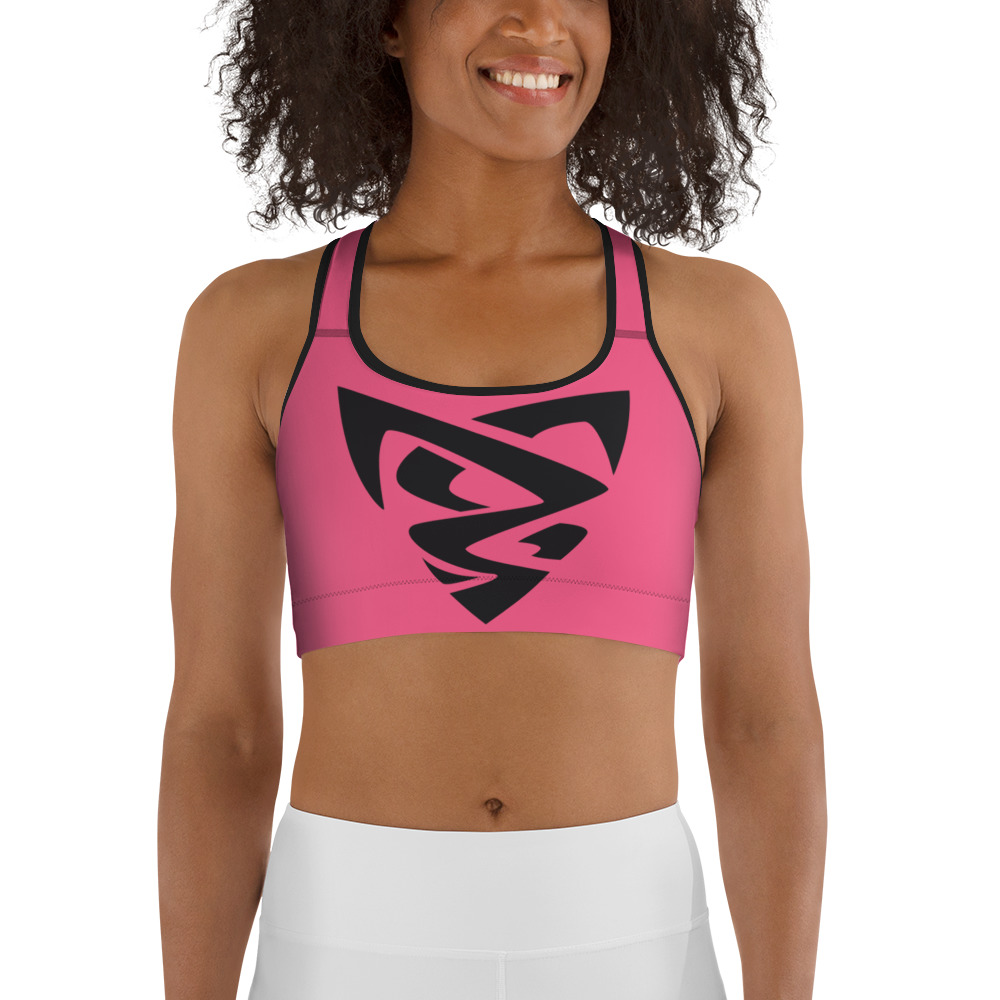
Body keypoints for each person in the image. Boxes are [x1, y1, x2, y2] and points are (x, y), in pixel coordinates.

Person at [159, 1, 826, 998]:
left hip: (630, 943)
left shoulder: (720, 328)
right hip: (343, 940)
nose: (540, 21)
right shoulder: (254, 329)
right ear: (383, 20)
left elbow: (763, 720)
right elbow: (222, 730)